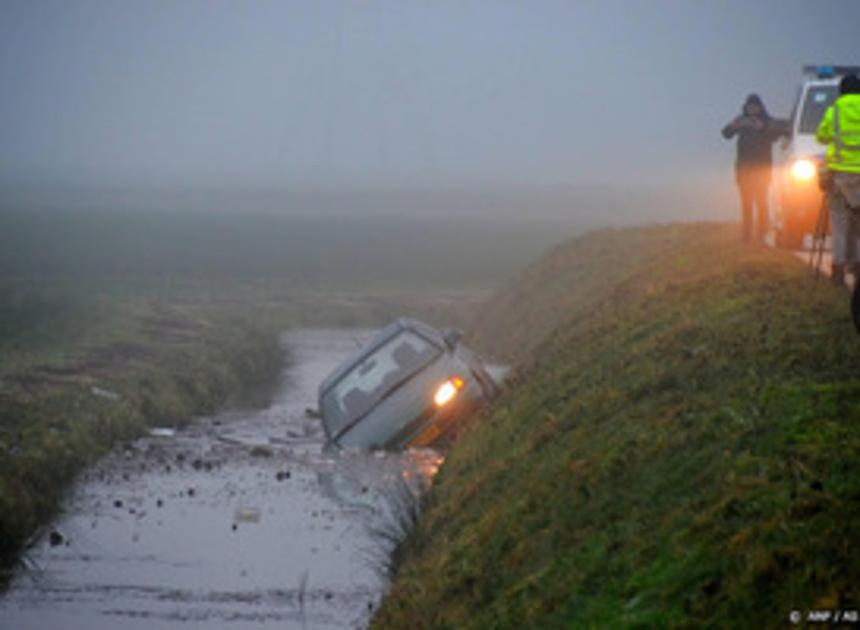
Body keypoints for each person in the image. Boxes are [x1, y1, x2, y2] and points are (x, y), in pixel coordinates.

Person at [722, 94, 788, 242]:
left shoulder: (767, 121)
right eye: (749, 106)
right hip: (743, 169)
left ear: (760, 107)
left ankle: (762, 234)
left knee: (761, 202)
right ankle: (746, 235)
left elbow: (781, 131)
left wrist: (763, 128)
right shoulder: (741, 120)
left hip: (761, 170)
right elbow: (725, 134)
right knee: (746, 203)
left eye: (754, 106)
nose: (752, 109)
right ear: (746, 107)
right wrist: (733, 126)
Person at [816, 74, 860, 287]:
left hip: (838, 176)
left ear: (841, 92)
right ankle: (858, 264)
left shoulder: (834, 112)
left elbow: (821, 137)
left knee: (840, 223)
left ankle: (838, 269)